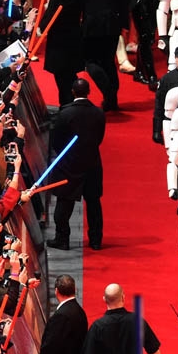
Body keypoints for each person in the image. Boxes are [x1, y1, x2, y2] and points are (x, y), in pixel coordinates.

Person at [48, 79, 107, 251]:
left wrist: (65, 154)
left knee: (64, 202)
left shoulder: (65, 114)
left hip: (69, 163)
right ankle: (96, 240)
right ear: (88, 91)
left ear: (73, 92)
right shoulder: (98, 113)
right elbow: (99, 138)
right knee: (94, 202)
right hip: (92, 162)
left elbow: (56, 140)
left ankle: (62, 238)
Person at [77, 0, 130, 112]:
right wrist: (125, 23)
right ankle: (112, 100)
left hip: (91, 24)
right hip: (113, 24)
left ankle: (108, 93)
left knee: (90, 61)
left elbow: (79, 2)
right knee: (108, 61)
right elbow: (123, 0)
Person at [39, 0, 86, 106]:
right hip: (61, 38)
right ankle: (68, 105)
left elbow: (59, 13)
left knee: (65, 76)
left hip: (64, 40)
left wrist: (43, 27)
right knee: (63, 76)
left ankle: (68, 106)